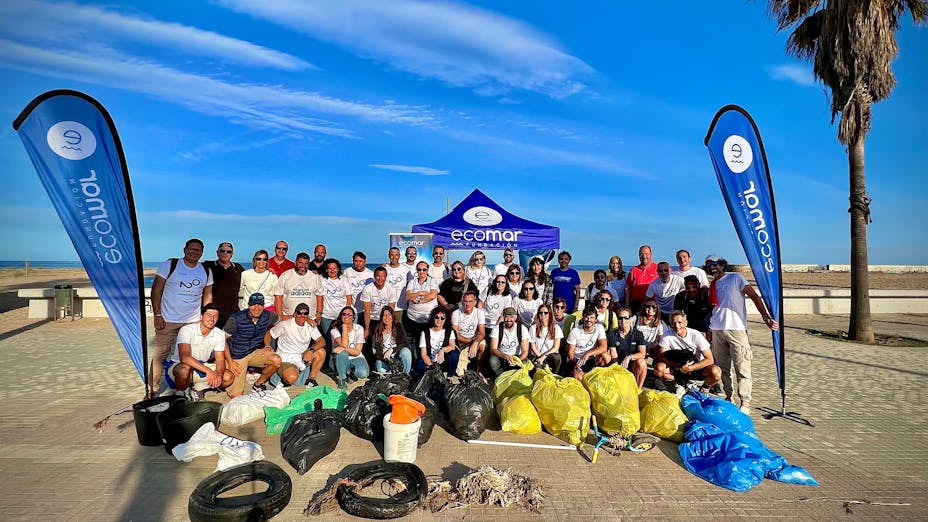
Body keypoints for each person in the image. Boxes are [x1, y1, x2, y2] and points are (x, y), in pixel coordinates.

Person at [705, 255, 779, 414]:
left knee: (742, 366)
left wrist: (765, 317)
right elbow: (713, 309)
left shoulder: (736, 278)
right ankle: (728, 397)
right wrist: (710, 330)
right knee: (723, 367)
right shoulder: (712, 285)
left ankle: (745, 402)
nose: (712, 267)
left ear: (723, 265)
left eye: (714, 264)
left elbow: (754, 296)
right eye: (708, 265)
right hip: (717, 331)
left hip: (737, 330)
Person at [149, 238, 214, 396]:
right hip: (168, 319)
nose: (194, 252)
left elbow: (208, 295)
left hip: (192, 321)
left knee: (190, 356)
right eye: (191, 249)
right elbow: (156, 290)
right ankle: (151, 389)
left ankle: (185, 386)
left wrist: (204, 317)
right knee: (160, 355)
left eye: (198, 250)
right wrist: (157, 314)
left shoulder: (205, 270)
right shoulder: (170, 265)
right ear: (184, 249)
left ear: (202, 253)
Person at [164, 304, 233, 399]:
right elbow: (185, 357)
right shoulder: (186, 330)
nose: (212, 319)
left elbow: (220, 360)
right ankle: (181, 391)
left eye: (215, 316)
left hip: (202, 366)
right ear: (201, 317)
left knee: (228, 377)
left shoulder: (219, 334)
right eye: (209, 315)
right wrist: (209, 371)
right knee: (184, 369)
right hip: (181, 365)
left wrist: (218, 375)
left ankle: (200, 388)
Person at [223, 293, 281, 397]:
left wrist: (267, 344)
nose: (256, 308)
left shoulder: (269, 316)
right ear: (248, 305)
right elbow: (222, 340)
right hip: (237, 355)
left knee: (276, 360)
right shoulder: (236, 319)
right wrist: (230, 362)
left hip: (253, 351)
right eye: (253, 305)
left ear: (263, 306)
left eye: (259, 305)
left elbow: (280, 322)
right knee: (237, 396)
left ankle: (258, 384)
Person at [654, 311, 723, 397]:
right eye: (673, 323)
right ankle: (680, 383)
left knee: (716, 372)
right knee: (659, 369)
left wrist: (690, 368)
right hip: (677, 366)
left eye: (680, 323)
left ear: (685, 323)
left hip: (696, 366)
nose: (676, 326)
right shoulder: (667, 335)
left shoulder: (696, 335)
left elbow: (710, 359)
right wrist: (677, 366)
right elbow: (662, 356)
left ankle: (705, 388)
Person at [269, 302, 326, 387]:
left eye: (305, 313)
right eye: (299, 313)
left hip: (301, 355)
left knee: (321, 352)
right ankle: (281, 378)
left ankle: (311, 379)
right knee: (291, 378)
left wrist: (311, 350)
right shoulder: (285, 324)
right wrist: (268, 346)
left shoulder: (310, 326)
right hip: (286, 357)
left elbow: (322, 341)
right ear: (294, 314)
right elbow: (269, 334)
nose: (302, 315)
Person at [202, 241, 244, 328]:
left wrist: (268, 270)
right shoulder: (207, 265)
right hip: (213, 314)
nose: (225, 253)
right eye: (222, 251)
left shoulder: (238, 268)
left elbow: (253, 276)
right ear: (217, 252)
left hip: (232, 314)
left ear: (232, 254)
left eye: (228, 251)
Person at [273, 252, 323, 323]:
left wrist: (318, 314)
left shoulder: (314, 277)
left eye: (306, 263)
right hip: (288, 317)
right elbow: (278, 296)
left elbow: (320, 296)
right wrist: (280, 315)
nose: (303, 266)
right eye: (300, 263)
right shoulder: (285, 275)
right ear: (295, 263)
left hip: (310, 318)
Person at [403, 261, 440, 356]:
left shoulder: (432, 281)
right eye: (419, 269)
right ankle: (416, 362)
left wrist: (418, 300)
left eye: (424, 269)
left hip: (427, 319)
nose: (421, 272)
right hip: (413, 318)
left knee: (426, 342)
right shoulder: (412, 282)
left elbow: (432, 295)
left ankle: (427, 362)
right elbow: (407, 297)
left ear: (427, 270)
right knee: (414, 342)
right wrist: (420, 293)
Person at [359, 266, 398, 352]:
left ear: (386, 277)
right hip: (372, 318)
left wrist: (388, 325)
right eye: (378, 276)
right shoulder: (368, 289)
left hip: (384, 318)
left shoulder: (391, 289)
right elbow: (367, 312)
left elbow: (391, 310)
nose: (380, 279)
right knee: (369, 341)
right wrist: (367, 328)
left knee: (383, 341)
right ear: (374, 276)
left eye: (383, 276)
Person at [330, 306, 369, 389]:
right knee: (343, 353)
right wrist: (344, 328)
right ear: (341, 316)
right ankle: (342, 379)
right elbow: (344, 345)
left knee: (364, 373)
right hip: (341, 359)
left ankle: (349, 372)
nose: (346, 316)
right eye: (344, 314)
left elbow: (357, 352)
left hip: (356, 357)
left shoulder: (359, 328)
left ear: (354, 317)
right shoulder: (334, 330)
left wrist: (344, 348)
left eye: (349, 314)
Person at [319, 259, 353, 356]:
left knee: (342, 338)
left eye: (334, 268)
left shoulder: (344, 280)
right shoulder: (321, 279)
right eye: (330, 269)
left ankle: (342, 358)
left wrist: (346, 314)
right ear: (326, 269)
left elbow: (349, 298)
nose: (332, 271)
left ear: (338, 269)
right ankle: (328, 361)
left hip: (341, 316)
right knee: (328, 339)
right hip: (327, 315)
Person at [608, 307, 647, 390]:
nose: (623, 320)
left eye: (626, 318)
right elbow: (613, 355)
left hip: (633, 364)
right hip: (619, 364)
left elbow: (642, 353)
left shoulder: (638, 334)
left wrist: (629, 357)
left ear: (631, 319)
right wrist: (618, 368)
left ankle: (638, 389)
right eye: (620, 318)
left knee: (642, 362)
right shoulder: (612, 334)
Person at [566, 307, 608, 380]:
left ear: (596, 319)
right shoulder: (575, 331)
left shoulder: (599, 327)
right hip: (578, 360)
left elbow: (604, 347)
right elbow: (570, 352)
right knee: (578, 376)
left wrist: (587, 354)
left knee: (606, 356)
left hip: (592, 358)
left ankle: (603, 376)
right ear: (583, 318)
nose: (589, 320)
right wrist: (576, 365)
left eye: (592, 317)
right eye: (586, 317)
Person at [415, 307, 458, 377]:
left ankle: (450, 376)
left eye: (442, 318)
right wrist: (432, 366)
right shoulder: (425, 333)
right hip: (429, 361)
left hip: (444, 361)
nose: (439, 320)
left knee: (454, 354)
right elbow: (423, 354)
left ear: (445, 320)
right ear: (433, 318)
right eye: (437, 317)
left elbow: (452, 346)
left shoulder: (449, 331)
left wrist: (442, 350)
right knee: (418, 368)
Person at [452, 291, 486, 374]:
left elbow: (482, 333)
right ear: (462, 302)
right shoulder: (456, 313)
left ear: (475, 302)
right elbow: (456, 335)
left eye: (470, 301)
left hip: (474, 339)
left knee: (482, 346)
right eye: (465, 301)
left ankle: (479, 370)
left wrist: (476, 342)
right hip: (460, 342)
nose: (467, 304)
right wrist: (471, 342)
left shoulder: (479, 313)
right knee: (460, 373)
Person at [488, 307, 530, 376]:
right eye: (506, 317)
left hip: (516, 356)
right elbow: (493, 349)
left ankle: (517, 376)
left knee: (526, 362)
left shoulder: (522, 329)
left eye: (511, 317)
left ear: (515, 317)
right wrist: (505, 356)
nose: (509, 319)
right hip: (502, 355)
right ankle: (501, 376)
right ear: (503, 317)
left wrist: (517, 360)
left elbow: (525, 351)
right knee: (493, 361)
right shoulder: (497, 328)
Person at [372, 306, 412, 374]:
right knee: (379, 366)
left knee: (406, 352)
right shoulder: (377, 330)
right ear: (381, 317)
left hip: (397, 356)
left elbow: (405, 344)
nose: (387, 318)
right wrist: (387, 360)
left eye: (389, 315)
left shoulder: (398, 327)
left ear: (393, 317)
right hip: (385, 359)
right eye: (384, 315)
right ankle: (392, 374)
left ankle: (405, 375)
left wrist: (392, 350)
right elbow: (378, 352)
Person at [240, 250, 279, 314]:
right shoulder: (245, 274)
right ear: (254, 260)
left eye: (264, 259)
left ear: (267, 261)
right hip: (248, 309)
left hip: (267, 309)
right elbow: (239, 288)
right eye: (259, 259)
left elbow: (276, 295)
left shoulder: (272, 276)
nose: (261, 261)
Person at [529, 303, 562, 373]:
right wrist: (540, 357)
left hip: (550, 356)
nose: (543, 315)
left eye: (546, 313)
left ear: (550, 314)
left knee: (557, 357)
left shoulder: (556, 328)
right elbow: (533, 347)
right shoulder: (533, 328)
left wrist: (544, 357)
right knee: (538, 371)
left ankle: (555, 373)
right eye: (540, 313)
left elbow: (556, 347)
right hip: (537, 355)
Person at [344, 251, 374, 326]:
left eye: (360, 261)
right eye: (356, 261)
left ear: (365, 262)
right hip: (352, 308)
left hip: (365, 309)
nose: (358, 263)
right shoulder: (347, 272)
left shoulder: (371, 274)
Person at [625, 245, 658, 313]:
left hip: (652, 304)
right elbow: (628, 288)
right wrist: (627, 305)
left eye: (646, 254)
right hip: (636, 304)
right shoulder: (634, 270)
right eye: (641, 254)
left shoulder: (658, 268)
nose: (644, 256)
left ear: (651, 254)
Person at [383, 246, 412, 323]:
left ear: (399, 256)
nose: (394, 257)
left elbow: (411, 286)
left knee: (399, 330)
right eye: (392, 255)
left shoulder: (406, 270)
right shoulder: (384, 268)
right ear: (388, 255)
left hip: (400, 307)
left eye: (396, 255)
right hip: (386, 306)